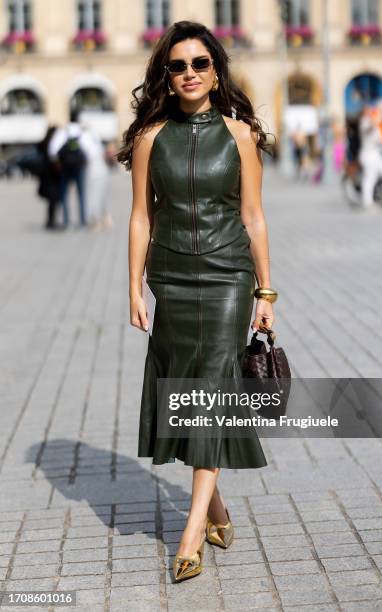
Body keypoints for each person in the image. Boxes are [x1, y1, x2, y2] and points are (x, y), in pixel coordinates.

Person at [117, 20, 276, 582]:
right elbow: (142, 216)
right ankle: (215, 507)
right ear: (167, 74)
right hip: (173, 279)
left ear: (215, 71)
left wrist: (266, 291)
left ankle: (190, 533)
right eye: (178, 65)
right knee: (184, 387)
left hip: (229, 275)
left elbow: (253, 216)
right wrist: (133, 285)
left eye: (200, 64)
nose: (189, 73)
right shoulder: (149, 138)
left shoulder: (239, 136)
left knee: (211, 385)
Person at [48, 109, 95, 228]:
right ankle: (83, 221)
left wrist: (57, 163)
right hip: (79, 167)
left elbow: (52, 149)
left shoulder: (63, 131)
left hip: (65, 167)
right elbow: (92, 150)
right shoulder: (83, 131)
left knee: (64, 195)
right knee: (81, 194)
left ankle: (67, 221)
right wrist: (85, 162)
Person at [81, 125, 114, 232]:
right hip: (102, 171)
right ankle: (103, 218)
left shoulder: (84, 138)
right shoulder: (94, 137)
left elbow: (89, 155)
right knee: (100, 196)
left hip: (93, 171)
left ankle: (95, 220)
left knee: (93, 196)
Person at [358, 103, 382, 208]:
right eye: (368, 110)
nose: (370, 112)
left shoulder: (373, 121)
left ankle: (379, 192)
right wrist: (381, 111)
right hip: (368, 153)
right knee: (369, 177)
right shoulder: (364, 121)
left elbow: (380, 137)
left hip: (376, 153)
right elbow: (373, 125)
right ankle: (367, 201)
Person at [36, 126, 62, 229]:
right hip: (52, 176)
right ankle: (51, 221)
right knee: (53, 200)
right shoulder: (52, 145)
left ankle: (50, 220)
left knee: (52, 201)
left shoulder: (42, 144)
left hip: (45, 176)